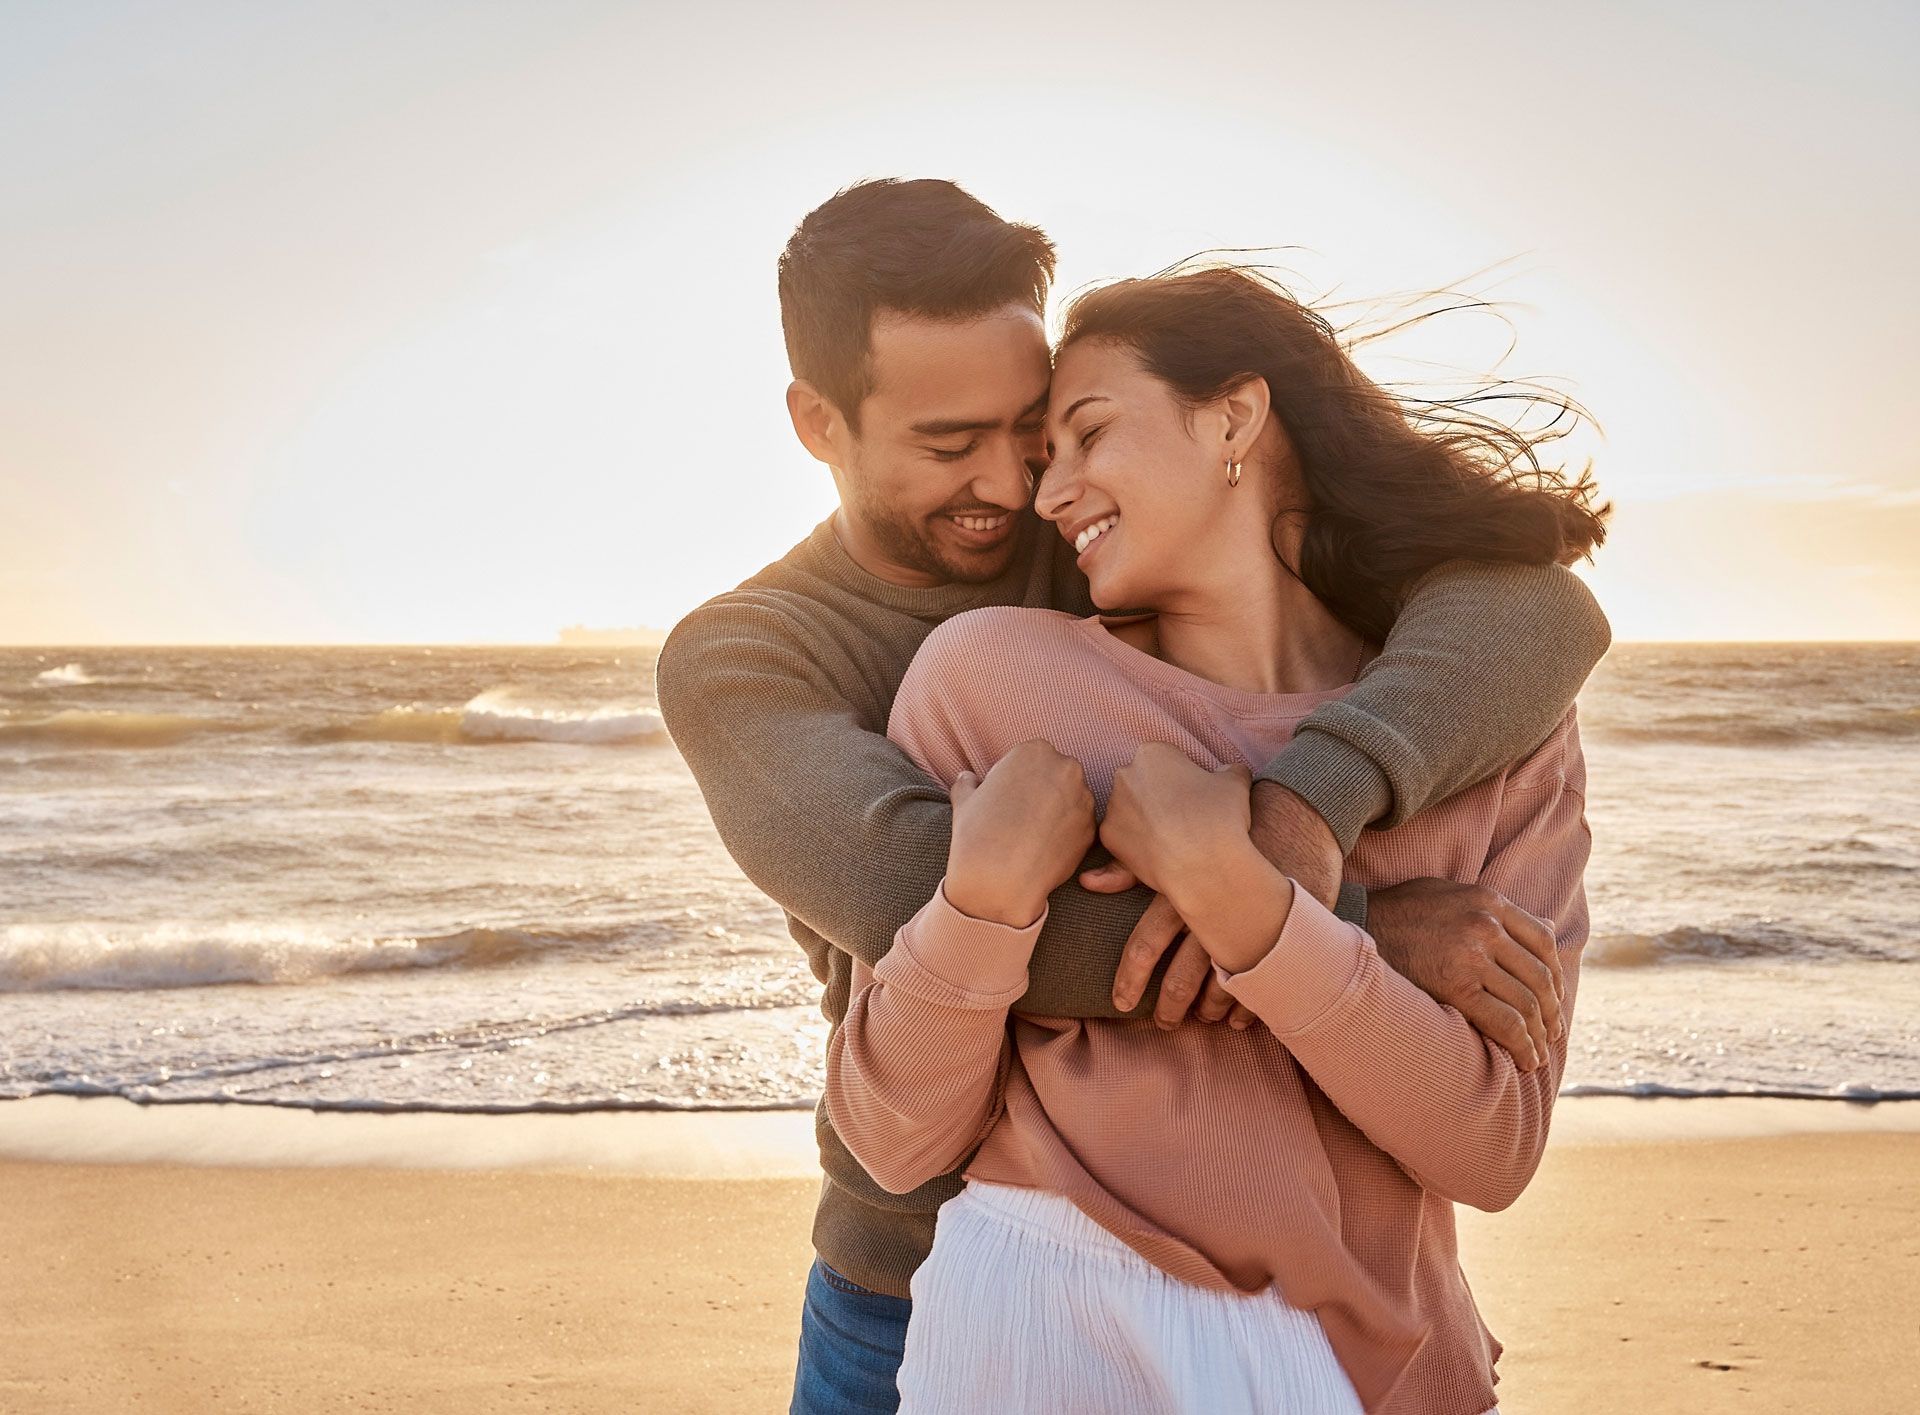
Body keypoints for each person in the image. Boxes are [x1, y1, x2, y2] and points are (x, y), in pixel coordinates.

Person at [652, 178, 1610, 1415]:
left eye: (1038, 427)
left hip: (1310, 1286)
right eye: (951, 444)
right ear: (817, 422)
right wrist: (1365, 933)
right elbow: (910, 893)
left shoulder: (1114, 531)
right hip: (915, 1272)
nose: (1014, 484)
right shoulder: (751, 655)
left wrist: (1304, 816)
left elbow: (1529, 607)